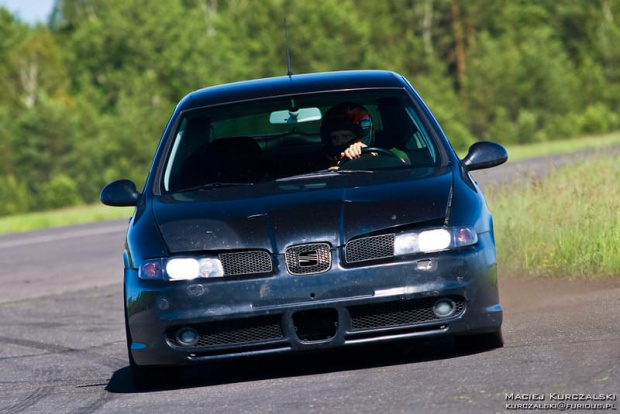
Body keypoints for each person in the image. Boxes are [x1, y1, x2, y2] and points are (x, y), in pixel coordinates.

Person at [319, 102, 374, 167]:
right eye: (335, 137)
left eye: (346, 136)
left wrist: (371, 158)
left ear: (360, 137)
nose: (340, 142)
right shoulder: (320, 162)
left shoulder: (379, 156)